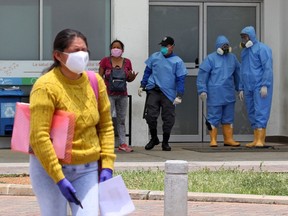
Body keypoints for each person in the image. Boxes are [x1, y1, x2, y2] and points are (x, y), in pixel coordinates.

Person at [29, 29, 116, 216]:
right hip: (50, 169)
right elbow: (39, 137)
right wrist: (59, 178)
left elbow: (106, 127)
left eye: (84, 50)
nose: (82, 55)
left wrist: (107, 164)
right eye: (75, 50)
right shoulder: (45, 86)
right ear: (58, 55)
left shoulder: (95, 81)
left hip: (87, 168)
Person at [138, 36, 187, 151]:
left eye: (166, 46)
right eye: (162, 46)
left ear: (172, 47)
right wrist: (142, 85)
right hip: (153, 90)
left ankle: (165, 142)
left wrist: (179, 95)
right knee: (150, 116)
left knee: (168, 118)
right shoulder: (155, 57)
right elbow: (147, 72)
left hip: (168, 93)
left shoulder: (177, 61)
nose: (164, 48)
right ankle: (154, 138)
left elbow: (181, 79)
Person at [197, 35, 241, 147]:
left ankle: (228, 139)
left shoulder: (233, 58)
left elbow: (238, 75)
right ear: (218, 46)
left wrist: (240, 88)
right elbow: (203, 75)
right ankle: (213, 140)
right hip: (215, 94)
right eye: (223, 45)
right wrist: (202, 90)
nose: (225, 47)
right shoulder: (210, 59)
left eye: (227, 45)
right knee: (213, 117)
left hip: (229, 93)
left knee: (228, 118)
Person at [99, 39, 138, 153]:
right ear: (111, 49)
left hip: (122, 94)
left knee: (121, 120)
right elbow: (99, 77)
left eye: (118, 47)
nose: (116, 49)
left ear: (122, 50)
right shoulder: (105, 61)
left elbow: (129, 78)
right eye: (114, 47)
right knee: (107, 119)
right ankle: (106, 144)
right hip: (109, 94)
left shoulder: (127, 62)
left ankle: (122, 143)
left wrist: (132, 77)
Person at [239, 26, 273, 148]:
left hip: (259, 85)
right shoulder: (244, 52)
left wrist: (265, 84)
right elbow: (242, 70)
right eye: (242, 37)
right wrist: (241, 87)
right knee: (251, 110)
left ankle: (261, 139)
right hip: (248, 86)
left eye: (245, 37)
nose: (243, 39)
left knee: (261, 109)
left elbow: (267, 68)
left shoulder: (263, 49)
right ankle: (256, 139)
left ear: (251, 36)